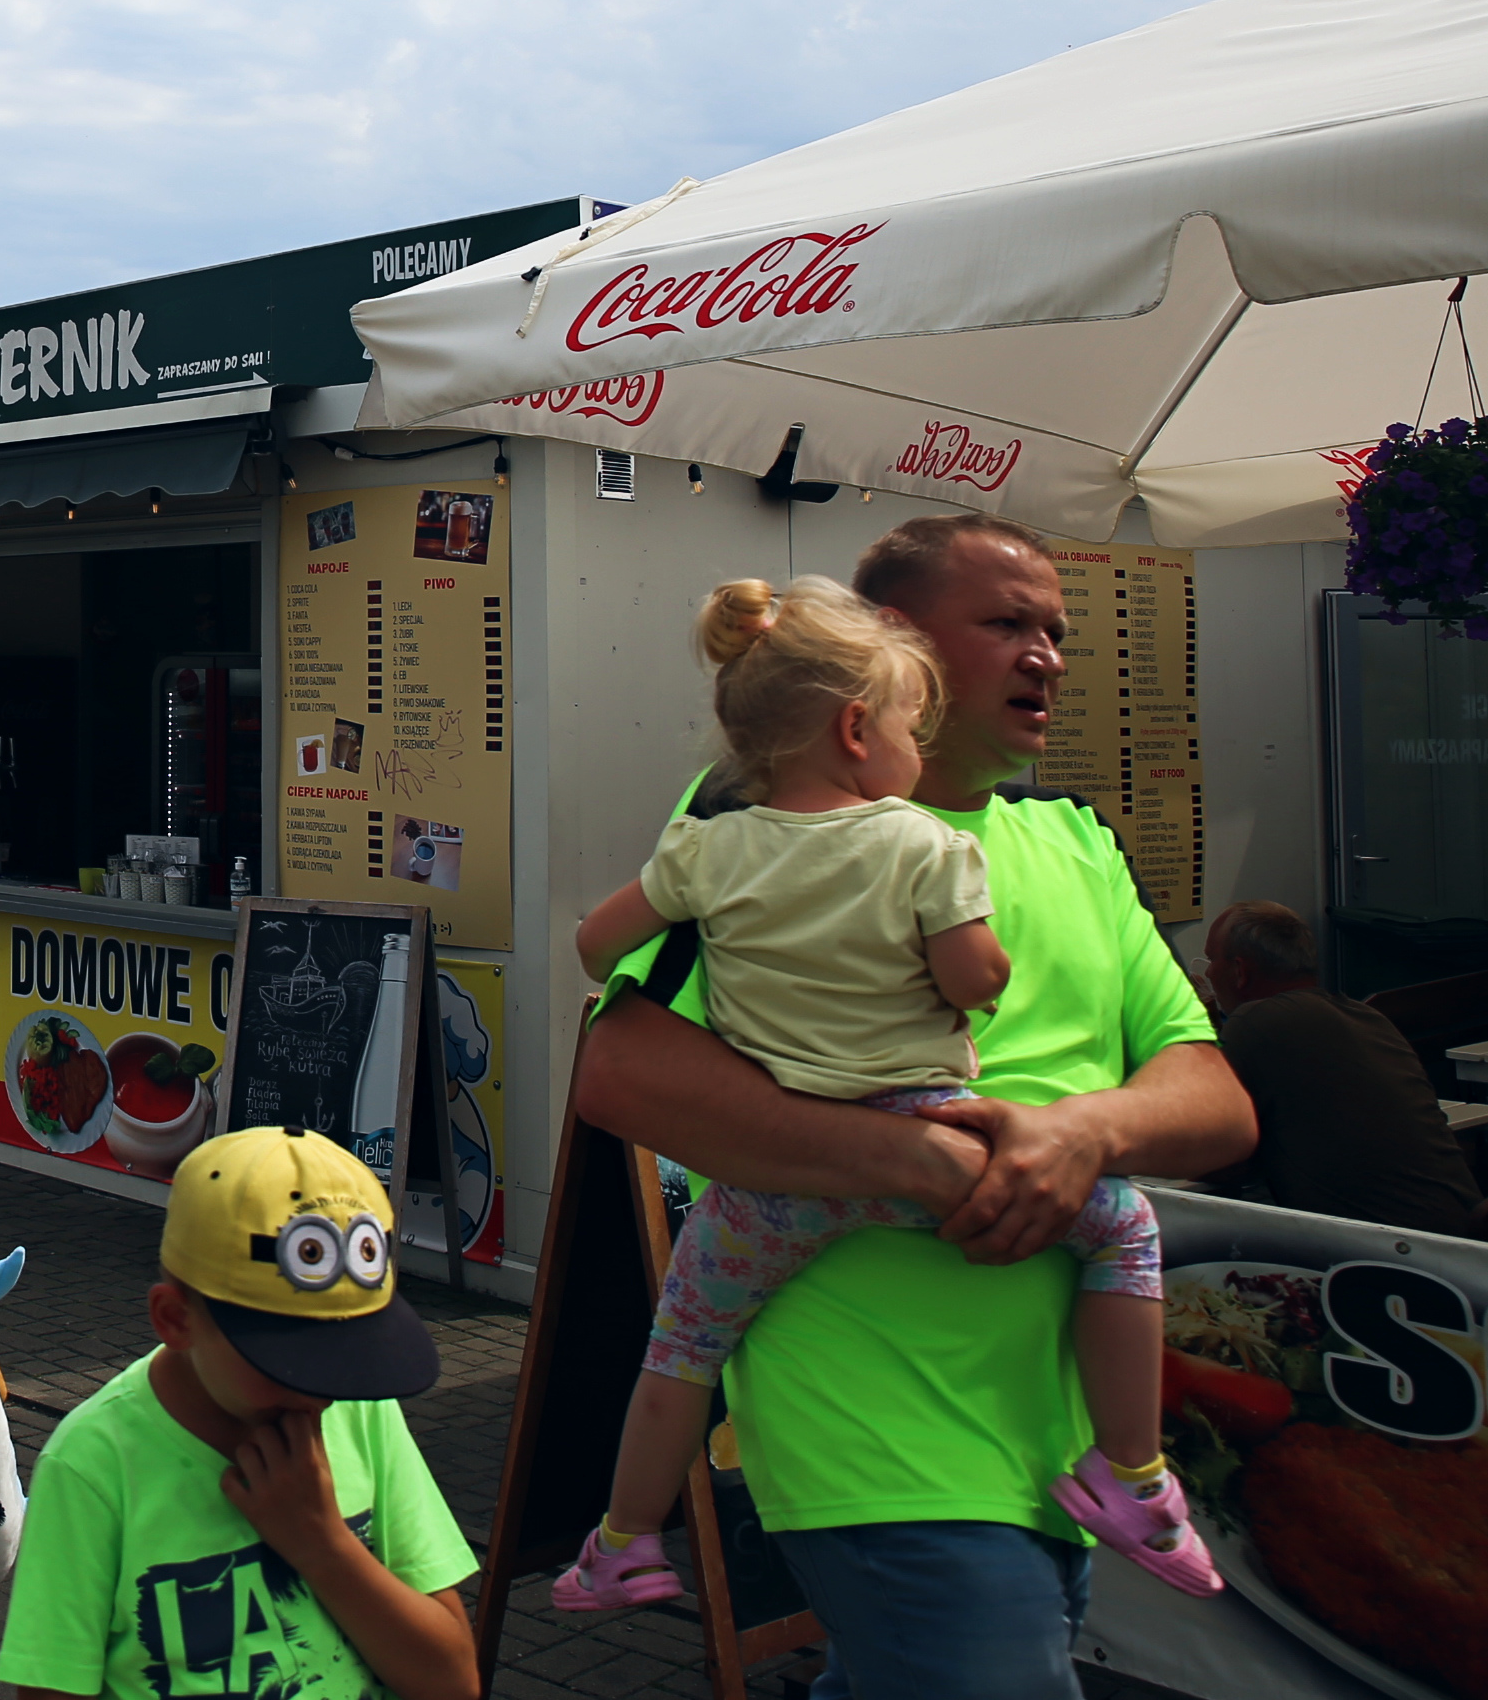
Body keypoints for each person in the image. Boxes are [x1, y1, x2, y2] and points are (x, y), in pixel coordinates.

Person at [574, 513, 1254, 1700]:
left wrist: (1080, 1133)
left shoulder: (1074, 835)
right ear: (890, 648)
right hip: (880, 1434)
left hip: (1055, 1443)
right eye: (1007, 625)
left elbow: (1213, 1096)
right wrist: (929, 1164)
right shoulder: (751, 811)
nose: (1046, 654)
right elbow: (622, 1071)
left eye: (1056, 629)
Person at [0, 1127, 476, 1700]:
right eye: (289, 1363)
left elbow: (452, 1680)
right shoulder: (93, 1466)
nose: (321, 1395)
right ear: (175, 1319)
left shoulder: (359, 1410)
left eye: (349, 1361)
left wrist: (324, 1545)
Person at [1199, 900, 1485, 1236]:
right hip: (1458, 1236)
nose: (1206, 973)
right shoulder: (1366, 1016)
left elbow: (1214, 1160)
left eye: (1210, 960)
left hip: (1391, 1253)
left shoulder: (1256, 1022)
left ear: (1239, 971)